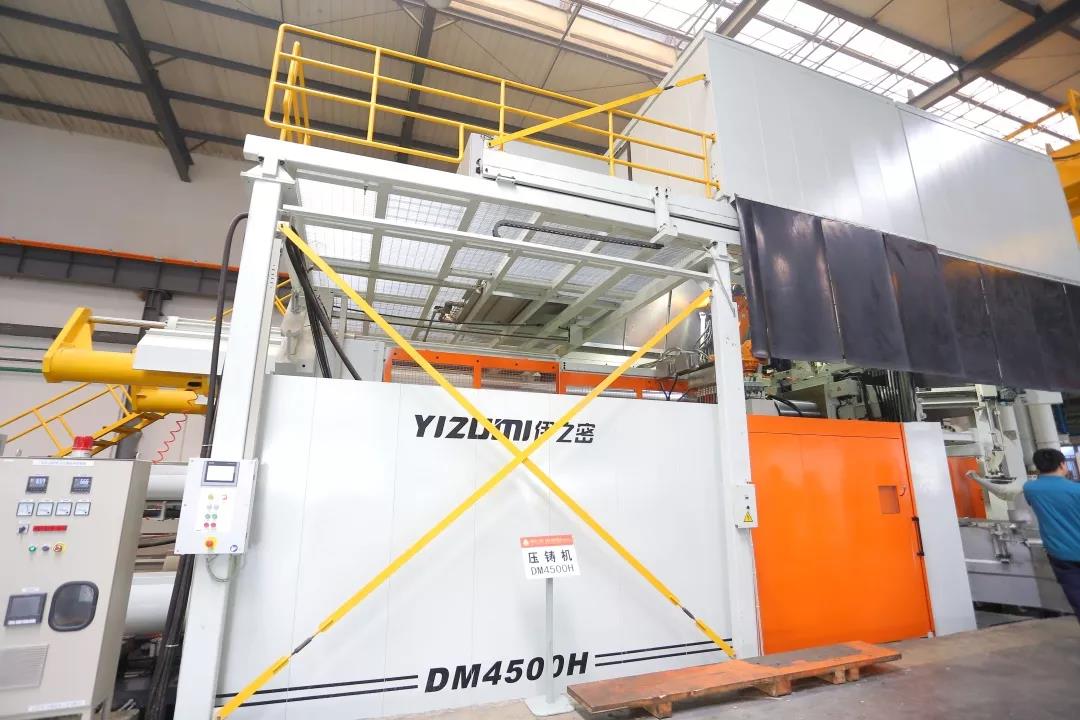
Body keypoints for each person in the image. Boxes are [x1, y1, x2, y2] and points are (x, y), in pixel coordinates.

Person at [1023, 448, 1080, 621]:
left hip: (1060, 554)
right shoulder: (1076, 490)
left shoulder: (1030, 489)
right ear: (1062, 464)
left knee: (1077, 597)